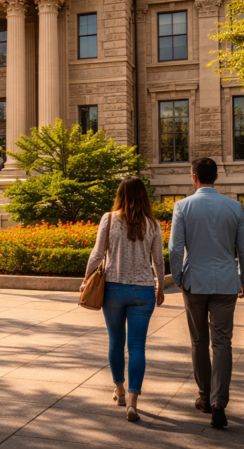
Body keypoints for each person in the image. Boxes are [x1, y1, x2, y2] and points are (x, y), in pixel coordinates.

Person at [168, 158, 244, 430]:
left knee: (198, 342)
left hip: (194, 282)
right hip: (227, 282)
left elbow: (174, 249)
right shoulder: (235, 206)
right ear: (216, 176)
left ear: (193, 178)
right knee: (222, 343)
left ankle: (204, 397)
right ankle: (219, 402)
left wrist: (179, 278)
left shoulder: (182, 206)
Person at [85, 177, 165, 422]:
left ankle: (119, 390)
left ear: (120, 194)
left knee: (115, 342)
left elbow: (98, 253)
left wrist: (86, 278)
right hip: (142, 291)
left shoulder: (108, 219)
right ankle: (133, 401)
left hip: (113, 289)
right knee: (138, 346)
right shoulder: (153, 224)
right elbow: (158, 261)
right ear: (144, 195)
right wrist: (160, 286)